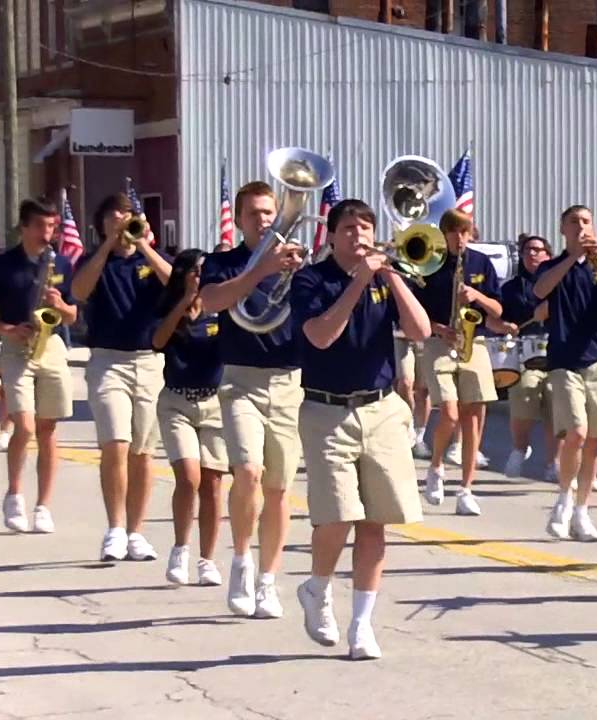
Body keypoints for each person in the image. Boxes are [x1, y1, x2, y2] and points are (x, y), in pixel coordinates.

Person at [291, 199, 430, 659]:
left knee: (375, 522)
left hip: (382, 408)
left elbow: (421, 330)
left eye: (366, 227)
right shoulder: (312, 279)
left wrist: (390, 275)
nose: (360, 235)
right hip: (326, 410)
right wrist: (358, 282)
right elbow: (320, 335)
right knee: (337, 515)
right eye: (349, 228)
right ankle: (317, 588)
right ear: (332, 235)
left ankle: (362, 626)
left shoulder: (386, 280)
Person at [198, 181, 303, 619]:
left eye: (268, 212)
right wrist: (261, 271)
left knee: (279, 490)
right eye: (254, 213)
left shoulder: (297, 263)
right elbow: (209, 302)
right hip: (240, 380)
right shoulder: (223, 263)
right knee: (248, 471)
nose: (263, 220)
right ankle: (241, 560)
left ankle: (267, 580)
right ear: (239, 219)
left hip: (288, 381)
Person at [70, 193, 172, 562]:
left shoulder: (148, 261)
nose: (123, 219)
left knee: (142, 451)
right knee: (115, 442)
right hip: (107, 361)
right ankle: (114, 528)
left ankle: (136, 532)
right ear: (101, 224)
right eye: (115, 215)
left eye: (128, 214)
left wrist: (143, 245)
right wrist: (107, 247)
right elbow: (78, 291)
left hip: (148, 362)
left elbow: (176, 284)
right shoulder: (94, 261)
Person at [0, 199, 79, 534]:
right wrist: (6, 330)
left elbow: (73, 315)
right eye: (41, 227)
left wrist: (61, 305)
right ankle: (14, 494)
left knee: (48, 430)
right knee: (25, 426)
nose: (48, 233)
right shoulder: (2, 265)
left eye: (52, 227)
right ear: (24, 227)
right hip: (17, 346)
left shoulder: (60, 262)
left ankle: (43, 505)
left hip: (52, 344)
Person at [534, 205, 597, 541]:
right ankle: (563, 499)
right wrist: (571, 258)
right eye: (574, 222)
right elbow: (540, 291)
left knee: (594, 442)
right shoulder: (552, 266)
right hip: (564, 360)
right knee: (575, 432)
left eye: (586, 221)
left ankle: (581, 511)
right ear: (562, 229)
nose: (581, 227)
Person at [411, 209, 502, 515]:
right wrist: (438, 328)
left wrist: (476, 296)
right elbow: (414, 309)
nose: (460, 239)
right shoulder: (430, 262)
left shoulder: (480, 263)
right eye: (454, 233)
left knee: (474, 416)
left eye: (465, 232)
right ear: (445, 234)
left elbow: (499, 309)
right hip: (439, 343)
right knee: (449, 413)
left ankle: (466, 489)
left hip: (473, 342)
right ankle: (435, 467)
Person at [152, 250, 228, 586]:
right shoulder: (171, 306)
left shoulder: (220, 310)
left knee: (212, 484)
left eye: (205, 272)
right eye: (196, 271)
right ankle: (180, 548)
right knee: (188, 477)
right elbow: (157, 341)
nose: (201, 277)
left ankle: (207, 559)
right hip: (176, 402)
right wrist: (185, 302)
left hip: (214, 403)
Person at [492, 234, 561, 481]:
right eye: (527, 250)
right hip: (525, 355)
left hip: (558, 352)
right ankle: (519, 449)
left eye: (537, 250)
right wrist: (505, 326)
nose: (531, 254)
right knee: (524, 393)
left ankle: (554, 462)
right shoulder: (511, 288)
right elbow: (495, 318)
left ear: (548, 255)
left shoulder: (560, 282)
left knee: (556, 401)